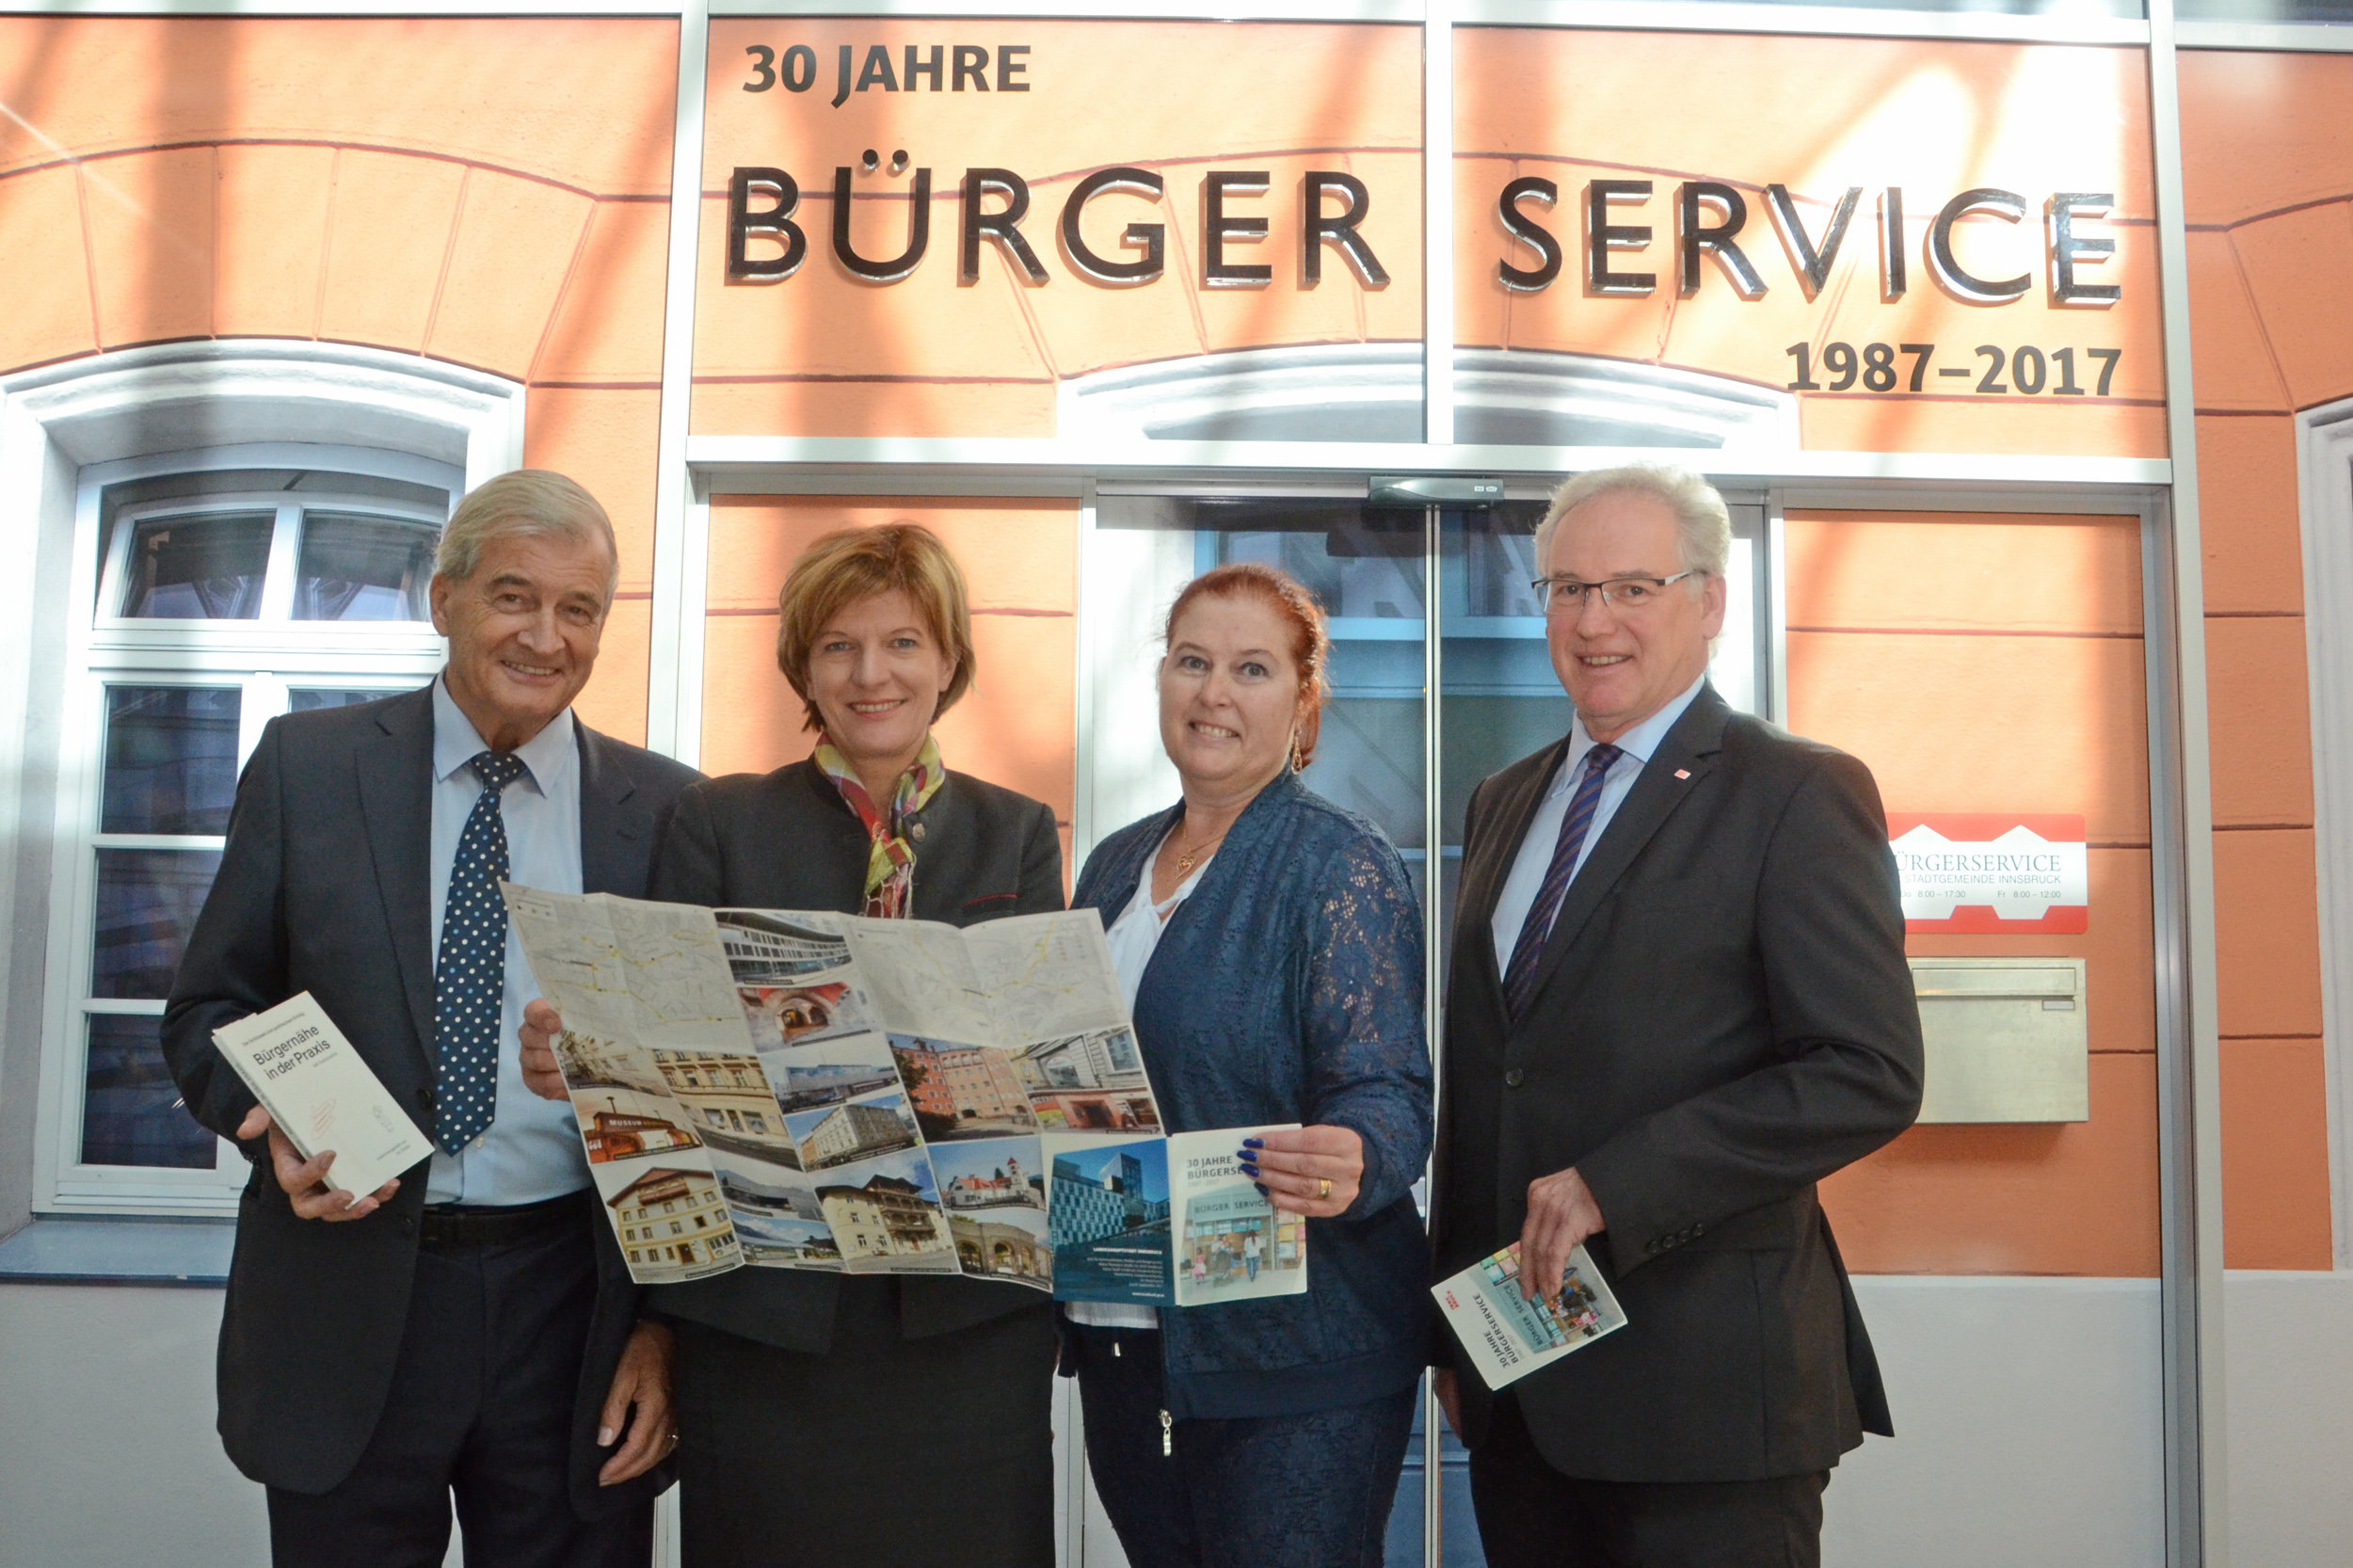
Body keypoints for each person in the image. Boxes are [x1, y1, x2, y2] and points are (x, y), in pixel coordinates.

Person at [161, 471, 701, 1567]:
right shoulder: (308, 770)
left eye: (579, 609)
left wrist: (664, 1330)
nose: (545, 636)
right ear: (441, 598)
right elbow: (209, 1009)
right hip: (346, 1293)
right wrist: (273, 1130)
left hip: (573, 1307)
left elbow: (704, 1097)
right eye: (513, 596)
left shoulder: (670, 814)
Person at [519, 522, 1064, 1567]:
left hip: (964, 1332)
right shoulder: (716, 822)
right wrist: (596, 1059)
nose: (871, 675)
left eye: (903, 642)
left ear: (948, 659)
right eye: (839, 647)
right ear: (802, 666)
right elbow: (663, 1074)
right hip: (767, 1327)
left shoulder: (1017, 833)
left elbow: (1027, 1071)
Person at [1429, 464, 1925, 1568]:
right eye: (1565, 588)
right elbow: (1490, 1077)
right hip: (1523, 1385)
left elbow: (1866, 1068)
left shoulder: (1796, 790)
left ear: (1708, 600)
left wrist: (1620, 1180)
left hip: (1707, 1406)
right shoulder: (1503, 798)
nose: (1593, 620)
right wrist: (1452, 1338)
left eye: (1631, 587)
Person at [1065, 561, 1433, 1568]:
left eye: (1251, 668)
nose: (1213, 692)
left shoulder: (1338, 863)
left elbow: (1390, 1087)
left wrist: (1357, 1150)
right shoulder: (1110, 866)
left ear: (1303, 702)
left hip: (1293, 1354)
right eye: (1191, 661)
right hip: (1122, 1328)